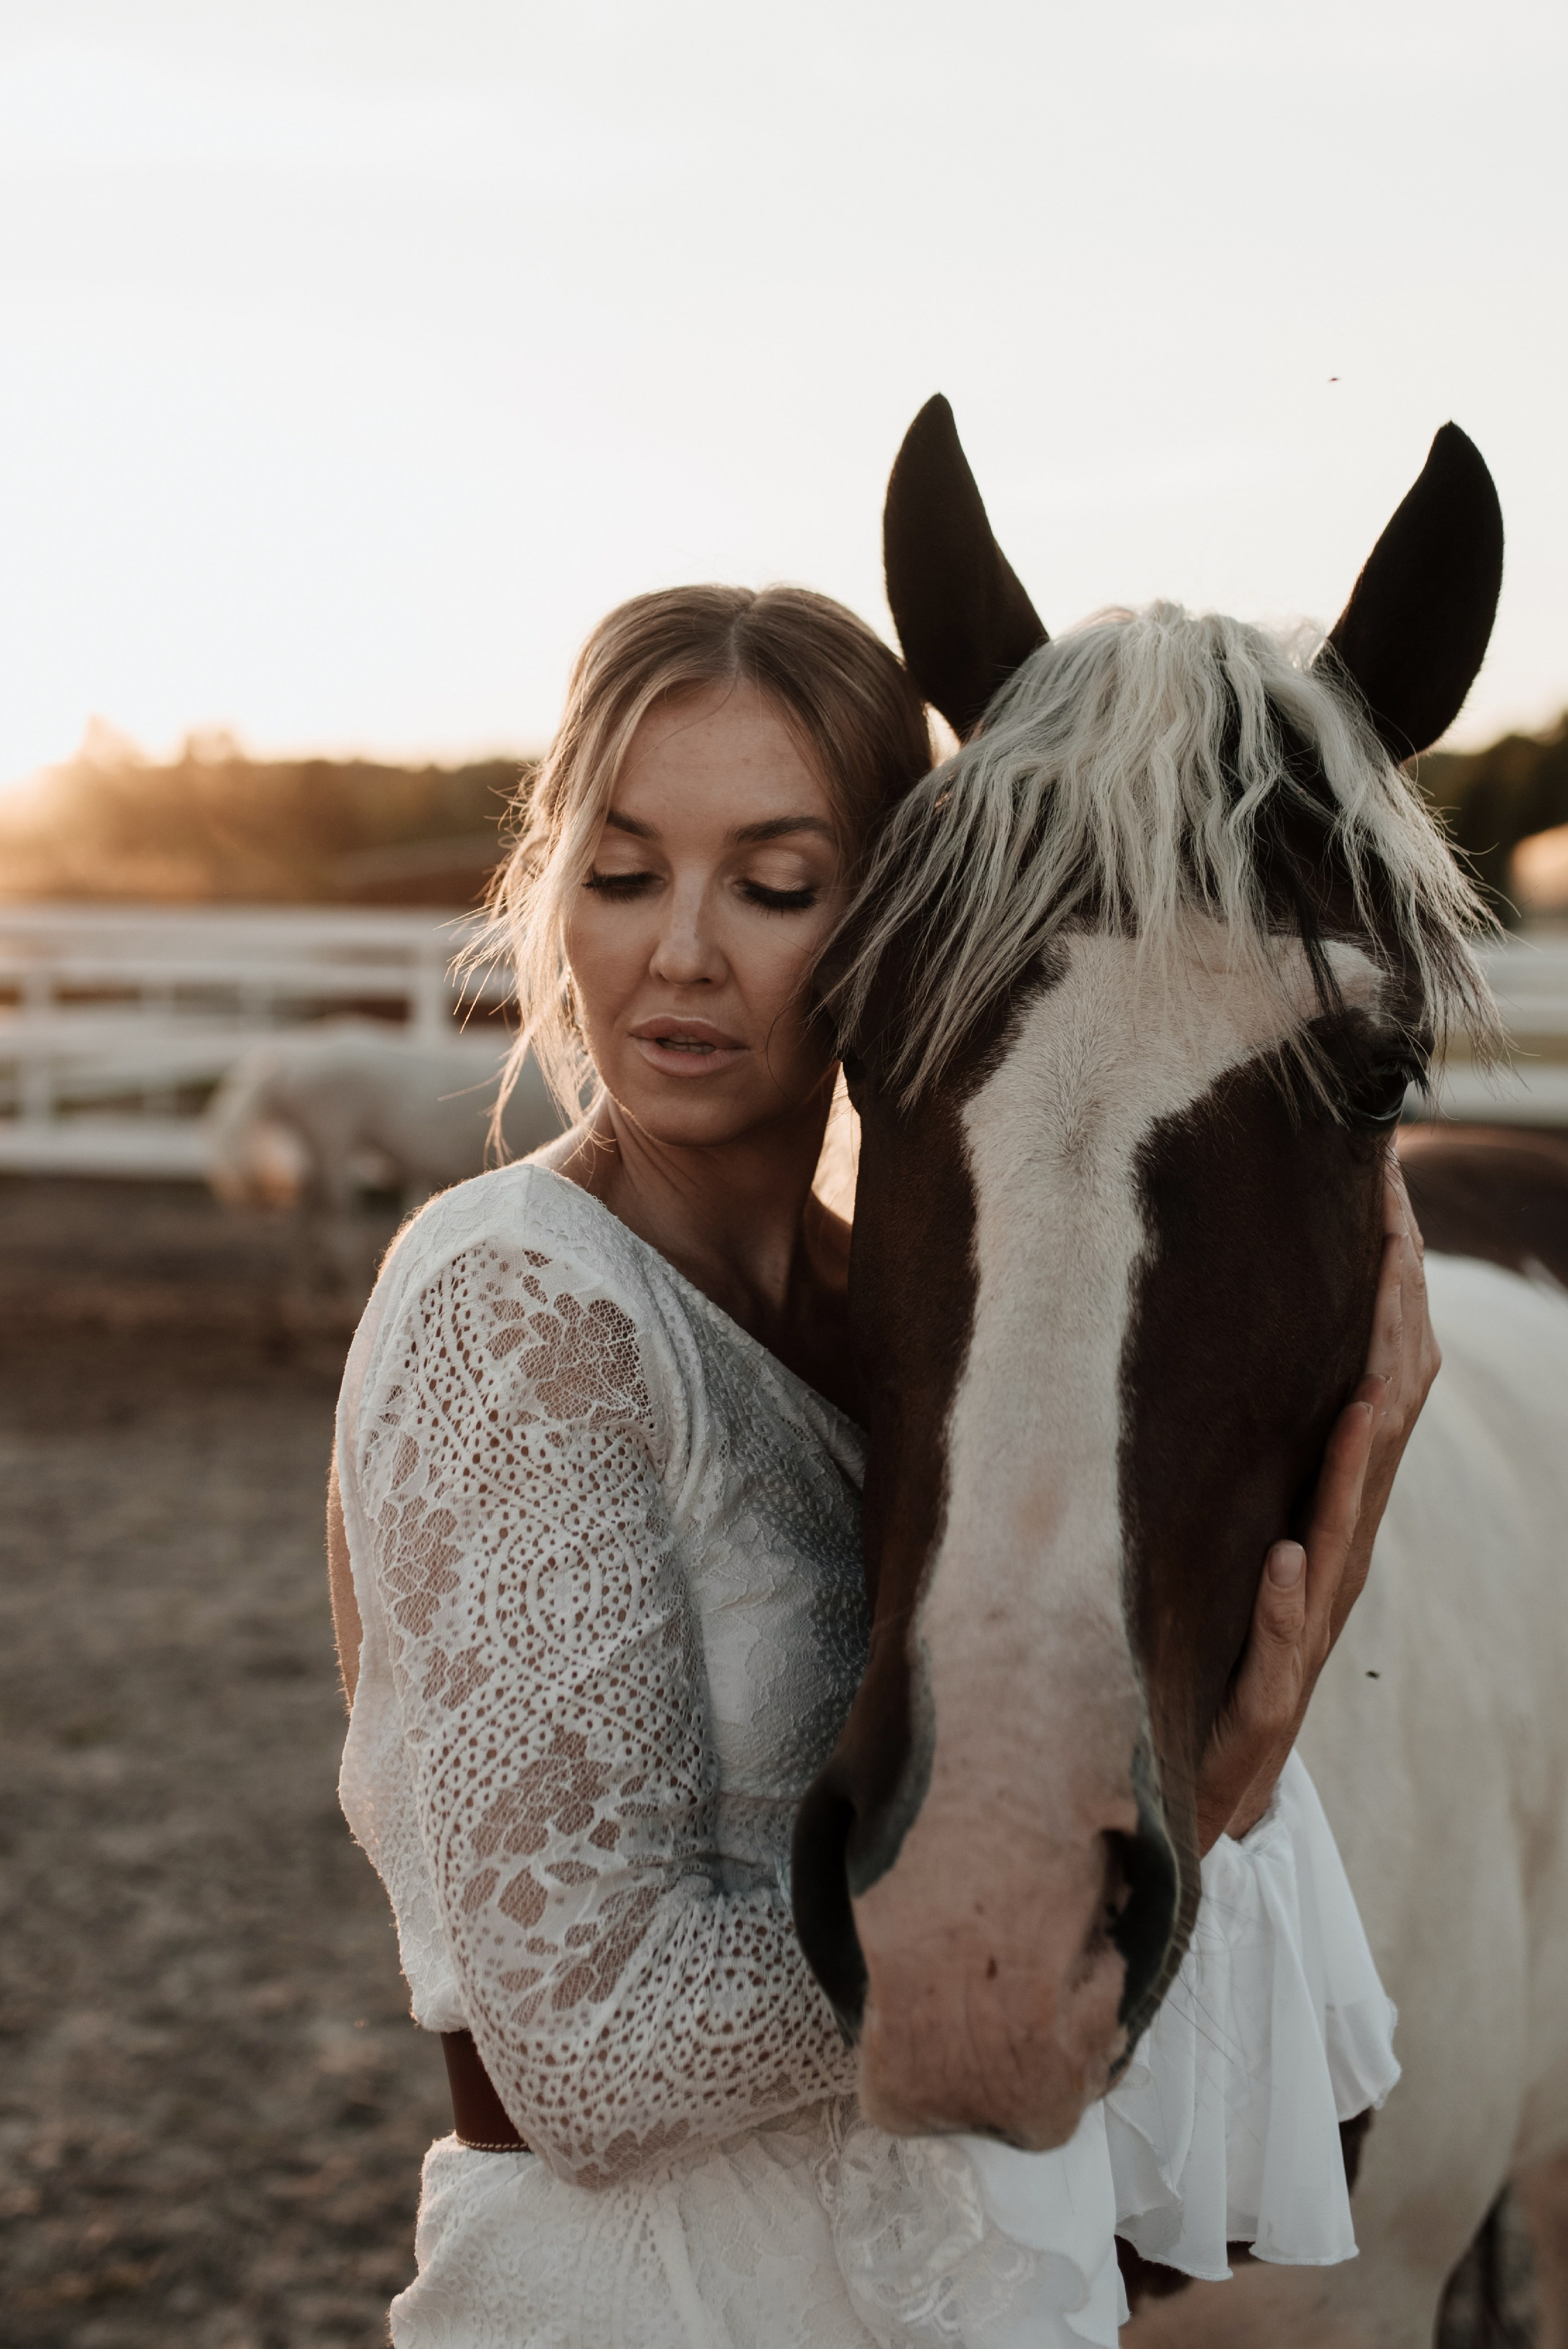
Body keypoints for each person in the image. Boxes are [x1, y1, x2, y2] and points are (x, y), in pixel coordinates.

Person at [326, 586, 1431, 2347]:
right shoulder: (512, 1304)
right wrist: (1118, 1861)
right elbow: (585, 2042)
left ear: (887, 922)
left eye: (772, 885)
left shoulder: (920, 1339)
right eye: (621, 875)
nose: (683, 950)